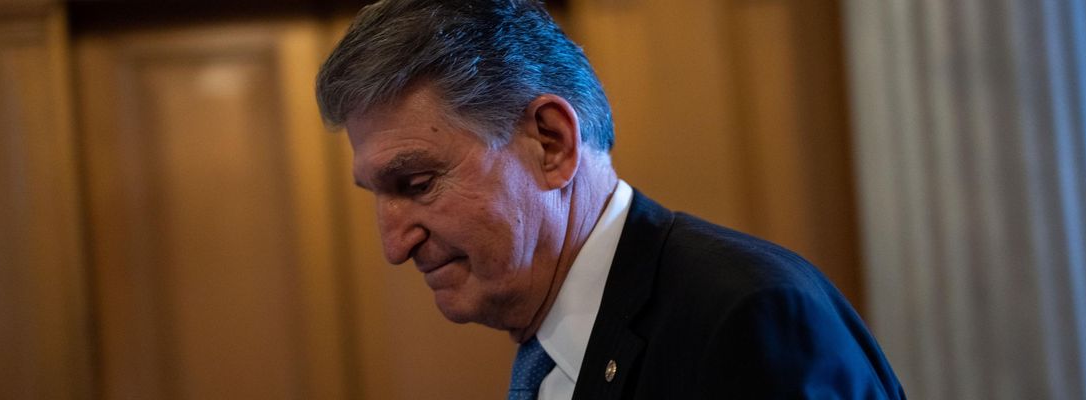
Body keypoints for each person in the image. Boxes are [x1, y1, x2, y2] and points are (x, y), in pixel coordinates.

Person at [315, 0, 906, 398]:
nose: (394, 245)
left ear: (551, 143)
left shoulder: (748, 316)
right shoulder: (550, 350)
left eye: (416, 185)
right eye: (377, 196)